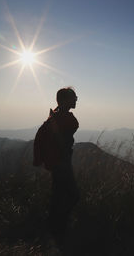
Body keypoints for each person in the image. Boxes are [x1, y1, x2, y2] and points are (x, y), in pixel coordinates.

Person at [46, 87, 80, 248]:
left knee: (58, 194)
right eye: (74, 97)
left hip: (58, 162)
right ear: (65, 100)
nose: (76, 100)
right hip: (62, 162)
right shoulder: (63, 118)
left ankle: (55, 229)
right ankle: (59, 229)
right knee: (72, 195)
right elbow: (61, 140)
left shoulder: (56, 116)